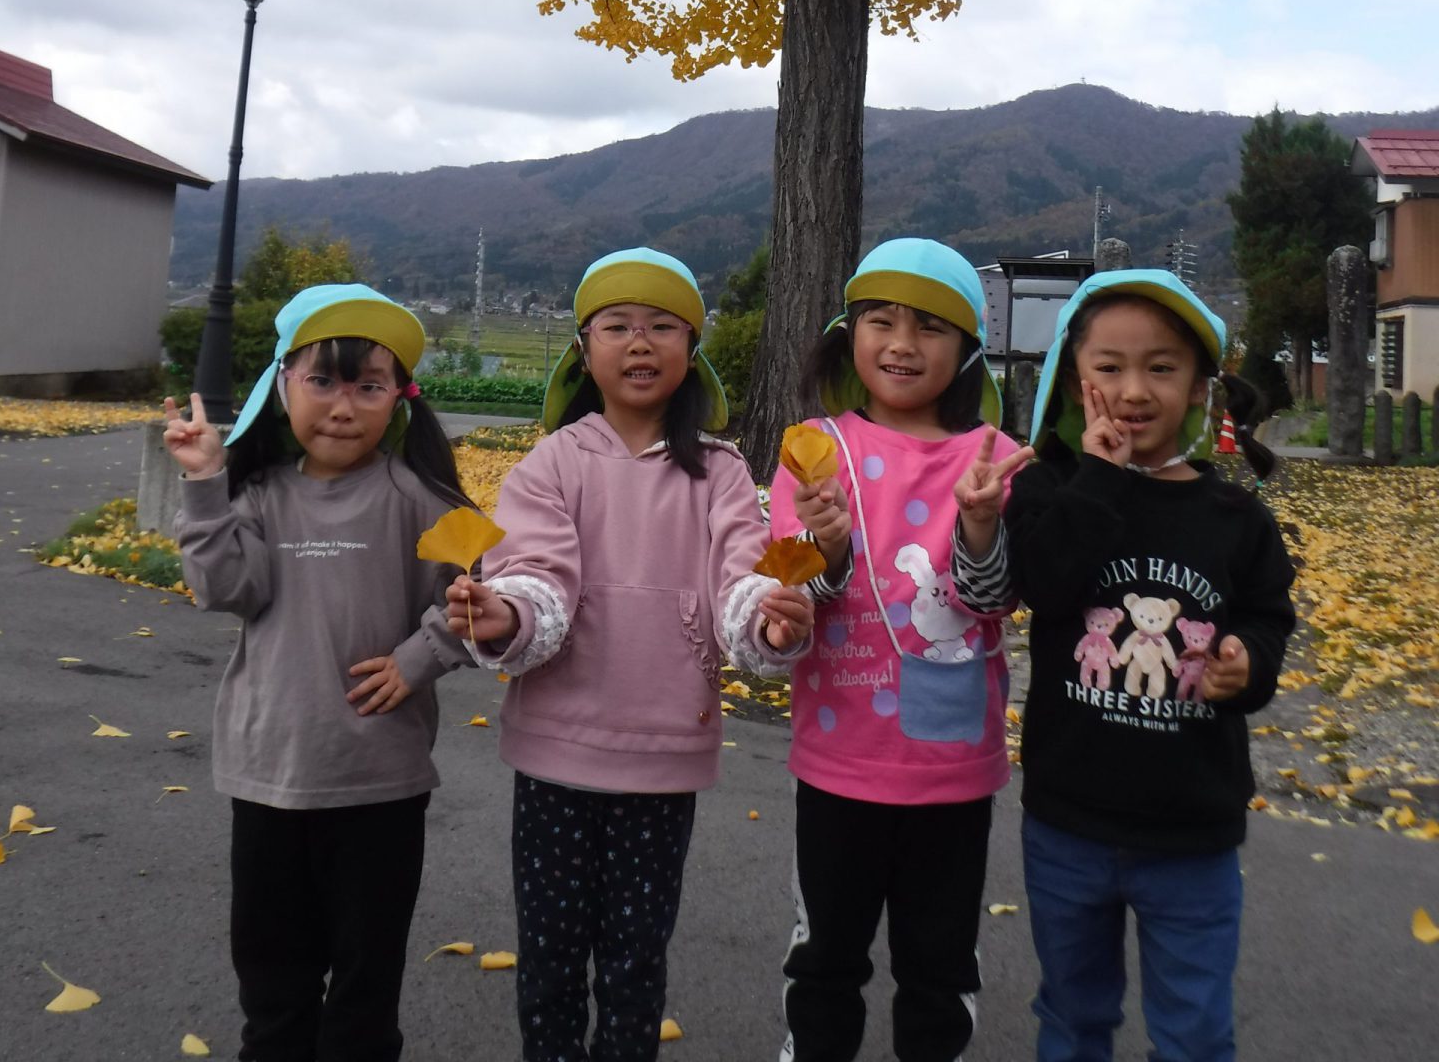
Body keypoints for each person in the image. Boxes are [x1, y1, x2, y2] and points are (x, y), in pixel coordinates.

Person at [445, 246, 815, 1062]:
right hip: (556, 754)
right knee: (549, 962)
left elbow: (741, 578)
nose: (639, 342)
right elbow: (534, 575)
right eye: (616, 326)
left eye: (661, 327)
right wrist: (504, 615)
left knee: (635, 963)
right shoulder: (552, 463)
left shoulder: (720, 471)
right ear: (584, 351)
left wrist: (769, 623)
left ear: (692, 350)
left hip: (663, 757)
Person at [981, 268, 1295, 1062]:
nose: (1133, 390)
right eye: (1109, 367)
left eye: (1161, 368)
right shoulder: (1050, 490)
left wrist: (1248, 663)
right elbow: (1045, 584)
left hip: (1193, 832)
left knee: (1194, 1033)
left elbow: (1267, 616)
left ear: (1198, 389)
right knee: (1072, 1017)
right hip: (1068, 824)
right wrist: (1101, 476)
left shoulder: (1235, 519)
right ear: (1073, 382)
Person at [162, 283, 474, 1062]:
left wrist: (419, 658)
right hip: (269, 775)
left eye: (368, 385)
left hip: (381, 785)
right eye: (323, 380)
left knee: (365, 990)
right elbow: (225, 588)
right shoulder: (261, 496)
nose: (343, 405)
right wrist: (205, 483)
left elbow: (480, 601)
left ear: (397, 398)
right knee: (273, 985)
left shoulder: (419, 498)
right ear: (283, 387)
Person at [768, 237, 1033, 1062]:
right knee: (825, 962)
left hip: (954, 767)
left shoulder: (993, 460)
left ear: (968, 350)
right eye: (880, 320)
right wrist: (827, 548)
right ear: (848, 333)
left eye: (930, 327)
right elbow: (790, 592)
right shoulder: (814, 450)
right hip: (838, 763)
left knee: (939, 968)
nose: (903, 343)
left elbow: (992, 602)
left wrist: (981, 525)